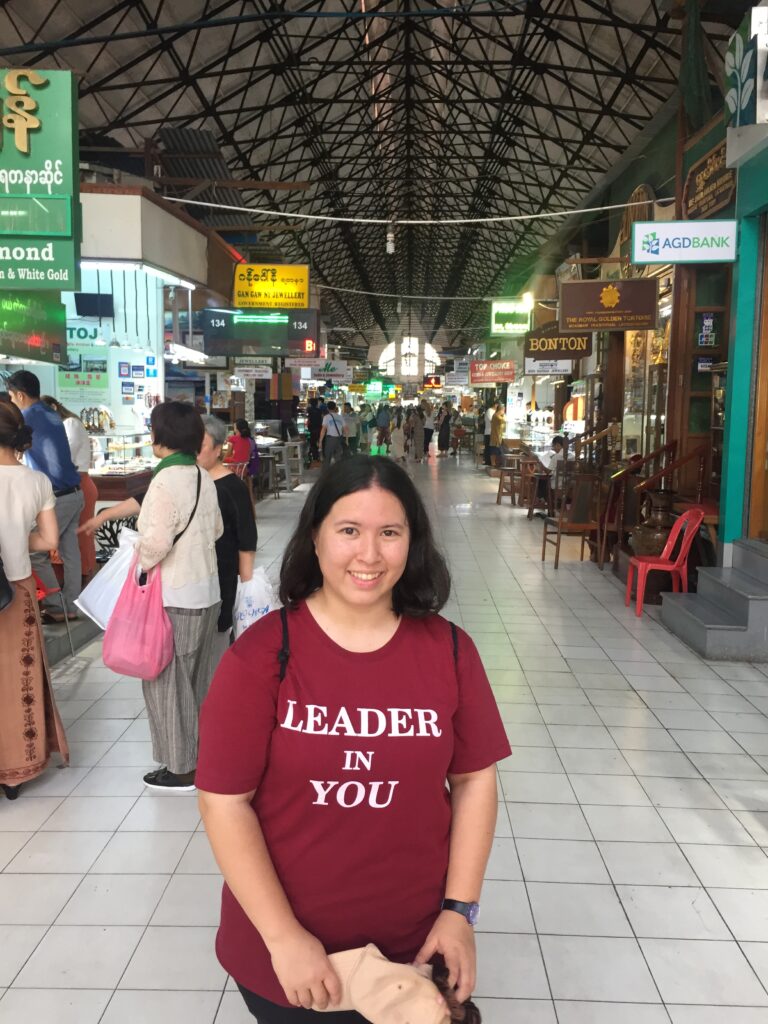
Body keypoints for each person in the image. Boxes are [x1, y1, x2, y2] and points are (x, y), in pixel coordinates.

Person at [196, 456, 510, 1023]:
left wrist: (460, 912)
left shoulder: (450, 651)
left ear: (411, 543)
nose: (369, 555)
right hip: (286, 958)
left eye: (389, 533)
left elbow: (473, 779)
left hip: (414, 947)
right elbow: (224, 802)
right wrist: (284, 937)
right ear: (314, 536)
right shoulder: (263, 655)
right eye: (349, 531)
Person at [80, 415, 257, 667]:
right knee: (190, 666)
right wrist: (105, 515)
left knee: (208, 662)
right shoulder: (189, 478)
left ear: (219, 449)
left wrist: (246, 588)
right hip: (190, 587)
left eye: (202, 446)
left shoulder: (229, 487)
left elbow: (246, 541)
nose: (195, 452)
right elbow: (143, 499)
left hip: (216, 583)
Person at [135, 401, 223, 791]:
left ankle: (181, 768)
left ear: (161, 437)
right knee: (195, 681)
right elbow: (216, 530)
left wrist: (137, 560)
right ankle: (200, 756)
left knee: (167, 683)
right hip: (207, 592)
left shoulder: (165, 481)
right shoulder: (203, 476)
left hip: (176, 596)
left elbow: (154, 544)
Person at [0, 400, 69, 800]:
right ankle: (16, 771)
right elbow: (48, 541)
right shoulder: (36, 481)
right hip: (17, 588)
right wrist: (14, 541)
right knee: (17, 679)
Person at [6, 370, 84, 622]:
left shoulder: (25, 418)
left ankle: (57, 605)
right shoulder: (51, 412)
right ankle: (72, 605)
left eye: (10, 397)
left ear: (19, 394)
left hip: (56, 495)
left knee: (36, 552)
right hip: (75, 491)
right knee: (70, 551)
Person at [40, 396, 98, 580]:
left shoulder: (70, 423)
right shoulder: (62, 425)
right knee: (72, 537)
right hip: (71, 483)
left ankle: (81, 575)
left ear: (53, 407)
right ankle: (76, 581)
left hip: (76, 483)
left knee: (78, 535)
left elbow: (66, 456)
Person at [319, 401, 347, 465]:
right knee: (338, 457)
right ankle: (338, 472)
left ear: (327, 408)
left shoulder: (326, 417)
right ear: (335, 408)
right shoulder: (340, 417)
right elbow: (345, 429)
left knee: (327, 457)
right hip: (339, 439)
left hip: (330, 439)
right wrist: (346, 439)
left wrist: (320, 441)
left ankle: (327, 472)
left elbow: (323, 430)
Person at [307, 398, 323, 463]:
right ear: (316, 403)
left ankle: (315, 457)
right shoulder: (319, 410)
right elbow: (321, 419)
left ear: (310, 403)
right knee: (318, 442)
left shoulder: (309, 410)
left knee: (313, 443)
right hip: (319, 428)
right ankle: (319, 456)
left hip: (312, 429)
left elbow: (308, 419)